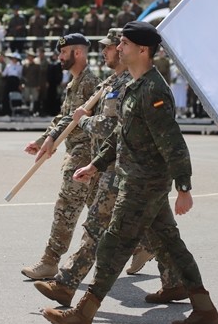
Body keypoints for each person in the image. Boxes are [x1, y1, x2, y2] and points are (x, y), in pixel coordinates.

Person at [42, 21, 218, 324]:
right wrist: (96, 165)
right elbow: (120, 136)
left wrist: (184, 188)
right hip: (135, 179)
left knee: (111, 244)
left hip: (144, 184)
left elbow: (173, 142)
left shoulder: (153, 90)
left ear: (143, 50)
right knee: (170, 246)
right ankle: (204, 309)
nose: (118, 48)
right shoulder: (135, 86)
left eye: (123, 43)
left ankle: (82, 315)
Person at [34, 27, 187, 308]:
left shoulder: (137, 83)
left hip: (126, 169)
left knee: (95, 227)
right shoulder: (111, 82)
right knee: (159, 231)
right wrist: (55, 139)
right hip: (115, 167)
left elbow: (113, 128)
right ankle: (177, 283)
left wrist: (84, 122)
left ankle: (66, 284)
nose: (107, 51)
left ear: (126, 49)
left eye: (112, 46)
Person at [21, 33, 99, 280]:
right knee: (103, 210)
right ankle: (143, 244)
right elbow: (62, 117)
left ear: (78, 53)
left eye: (63, 52)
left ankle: (50, 260)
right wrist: (43, 140)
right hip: (77, 151)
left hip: (86, 153)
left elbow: (76, 120)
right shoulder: (73, 83)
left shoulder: (91, 83)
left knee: (67, 205)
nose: (59, 57)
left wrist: (51, 139)